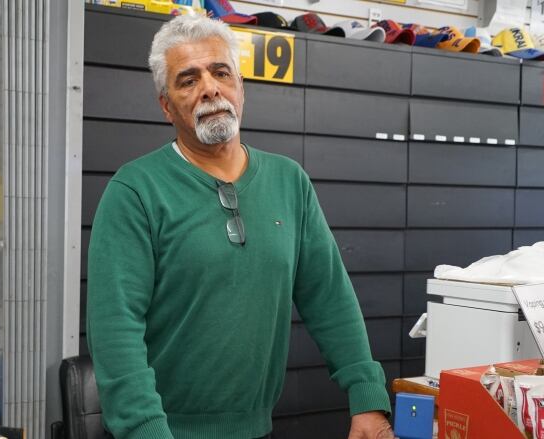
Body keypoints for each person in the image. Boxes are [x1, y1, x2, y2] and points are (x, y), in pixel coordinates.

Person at [87, 13, 395, 439]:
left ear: (240, 86)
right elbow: (115, 331)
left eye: (220, 72)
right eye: (188, 79)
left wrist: (368, 397)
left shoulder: (290, 182)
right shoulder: (135, 192)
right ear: (166, 105)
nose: (210, 88)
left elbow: (330, 298)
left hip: (257, 429)